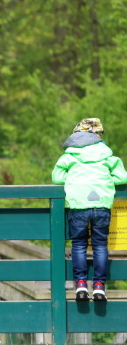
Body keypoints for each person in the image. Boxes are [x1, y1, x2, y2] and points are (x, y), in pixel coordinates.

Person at [52, 118, 127, 301]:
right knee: (100, 245)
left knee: (78, 244)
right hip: (101, 204)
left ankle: (80, 285)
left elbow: (57, 177)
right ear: (99, 136)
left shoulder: (69, 156)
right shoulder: (108, 156)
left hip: (78, 205)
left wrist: (74, 177)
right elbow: (122, 178)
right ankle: (100, 286)